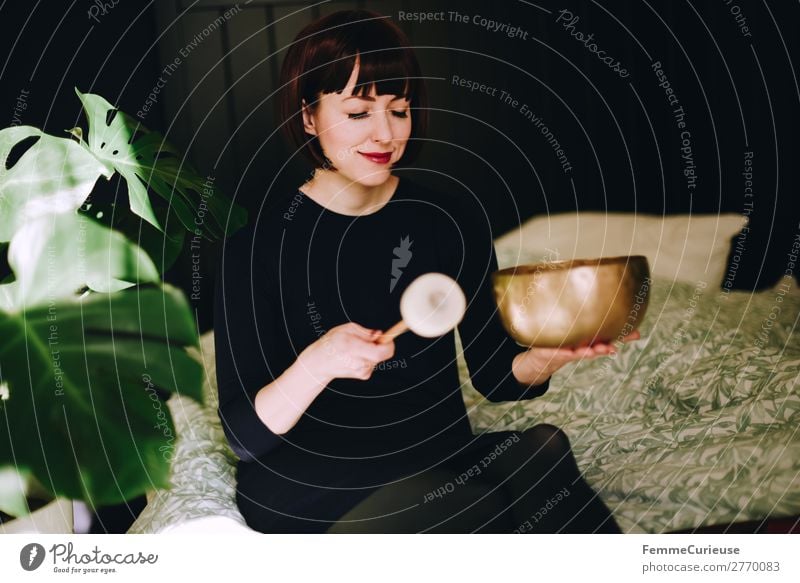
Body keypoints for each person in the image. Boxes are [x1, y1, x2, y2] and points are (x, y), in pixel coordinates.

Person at [214, 9, 637, 534]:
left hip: (437, 460)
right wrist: (319, 363)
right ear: (308, 116)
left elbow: (497, 377)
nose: (385, 133)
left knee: (542, 450)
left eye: (400, 109)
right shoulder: (255, 246)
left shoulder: (449, 219)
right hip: (316, 486)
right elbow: (243, 436)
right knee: (480, 508)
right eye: (358, 113)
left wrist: (545, 359)